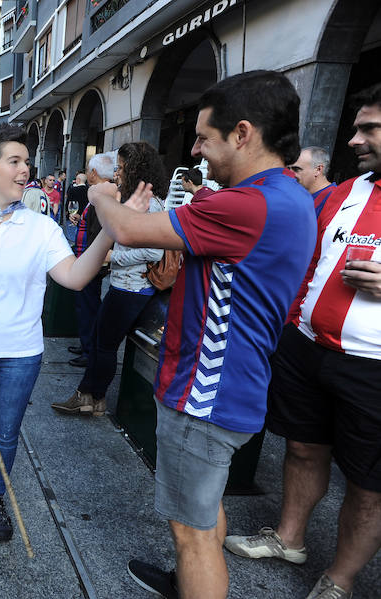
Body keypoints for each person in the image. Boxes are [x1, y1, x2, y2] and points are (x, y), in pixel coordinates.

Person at [87, 70, 316, 598]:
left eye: (203, 138)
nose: (195, 150)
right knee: (204, 511)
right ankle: (188, 580)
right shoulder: (290, 195)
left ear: (242, 133)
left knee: (191, 533)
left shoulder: (245, 204)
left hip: (204, 395)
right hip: (233, 386)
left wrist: (103, 194)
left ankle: (196, 579)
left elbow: (124, 229)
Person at [0, 124, 137, 543]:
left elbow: (73, 278)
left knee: (5, 433)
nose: (25, 170)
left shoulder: (41, 228)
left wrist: (113, 229)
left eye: (26, 162)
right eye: (14, 162)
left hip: (19, 353)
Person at [224, 83, 381, 599]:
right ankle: (289, 539)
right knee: (302, 448)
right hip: (307, 347)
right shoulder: (343, 193)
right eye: (357, 127)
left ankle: (340, 579)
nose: (355, 141)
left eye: (369, 129)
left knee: (368, 482)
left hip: (372, 368)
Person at [52, 142, 166, 415]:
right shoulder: (137, 199)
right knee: (103, 342)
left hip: (132, 288)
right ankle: (93, 397)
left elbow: (154, 250)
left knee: (103, 344)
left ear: (137, 170)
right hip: (126, 286)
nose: (117, 174)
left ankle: (90, 397)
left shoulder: (148, 203)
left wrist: (112, 257)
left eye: (122, 168)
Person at [66, 153, 115, 366]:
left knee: (88, 306)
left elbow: (101, 232)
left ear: (93, 173)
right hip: (88, 259)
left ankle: (89, 349)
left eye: (87, 169)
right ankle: (86, 343)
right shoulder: (97, 193)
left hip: (91, 262)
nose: (86, 173)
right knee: (86, 305)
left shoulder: (103, 195)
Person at [289, 146, 337, 217]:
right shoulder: (298, 194)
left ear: (318, 170)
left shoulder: (334, 199)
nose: (289, 174)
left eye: (296, 169)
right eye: (288, 169)